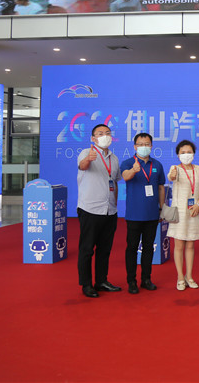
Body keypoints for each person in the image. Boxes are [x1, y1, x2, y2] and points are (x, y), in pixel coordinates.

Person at [76, 124, 122, 298]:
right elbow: (82, 166)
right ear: (93, 138)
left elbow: (115, 182)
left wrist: (115, 205)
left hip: (109, 210)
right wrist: (89, 159)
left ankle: (101, 281)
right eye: (100, 133)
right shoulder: (86, 153)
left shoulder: (114, 159)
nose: (105, 136)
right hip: (90, 209)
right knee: (87, 249)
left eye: (108, 133)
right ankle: (86, 284)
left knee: (105, 249)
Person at [120, 132, 166, 294]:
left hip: (152, 214)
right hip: (134, 214)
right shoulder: (127, 163)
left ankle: (146, 279)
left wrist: (162, 208)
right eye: (140, 144)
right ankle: (131, 281)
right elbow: (125, 177)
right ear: (135, 146)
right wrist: (133, 170)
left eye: (147, 144)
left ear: (151, 146)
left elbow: (161, 187)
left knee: (148, 247)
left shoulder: (157, 165)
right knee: (132, 248)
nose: (144, 147)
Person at [167, 140, 199, 291]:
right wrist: (172, 175)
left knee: (190, 245)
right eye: (183, 153)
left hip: (194, 210)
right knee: (179, 246)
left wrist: (198, 204)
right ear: (178, 155)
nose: (186, 155)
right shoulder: (175, 168)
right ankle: (179, 277)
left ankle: (189, 276)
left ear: (194, 154)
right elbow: (171, 177)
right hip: (180, 212)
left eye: (189, 152)